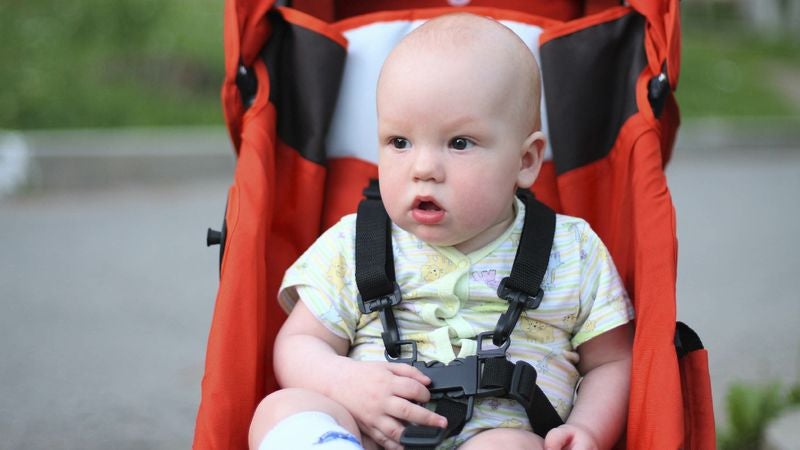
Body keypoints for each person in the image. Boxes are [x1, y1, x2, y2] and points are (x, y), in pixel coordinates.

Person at [249, 13, 634, 450]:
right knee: (281, 409)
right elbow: (299, 342)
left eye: (459, 143)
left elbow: (611, 361)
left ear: (526, 162)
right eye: (399, 142)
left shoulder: (573, 250)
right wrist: (342, 382)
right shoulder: (355, 244)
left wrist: (588, 430)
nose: (423, 169)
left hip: (497, 434)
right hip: (369, 433)